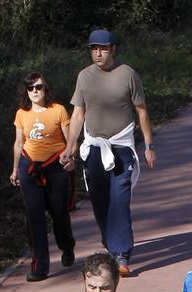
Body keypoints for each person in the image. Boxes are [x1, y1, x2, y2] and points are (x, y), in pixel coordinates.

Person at [60, 29, 156, 277]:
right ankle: (110, 241)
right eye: (93, 48)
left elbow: (141, 111)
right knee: (100, 202)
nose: (98, 53)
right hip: (94, 149)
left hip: (122, 148)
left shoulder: (128, 75)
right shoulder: (84, 77)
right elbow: (78, 114)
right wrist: (70, 148)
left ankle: (121, 255)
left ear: (113, 49)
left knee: (120, 201)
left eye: (103, 48)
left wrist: (148, 146)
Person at [11, 72, 77, 283]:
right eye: (30, 88)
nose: (34, 92)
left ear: (46, 89)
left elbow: (70, 140)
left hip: (55, 167)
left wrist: (71, 158)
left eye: (39, 87)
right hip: (29, 167)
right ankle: (40, 266)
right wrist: (14, 170)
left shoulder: (58, 110)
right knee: (34, 218)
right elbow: (18, 143)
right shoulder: (22, 113)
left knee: (59, 213)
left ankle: (67, 247)